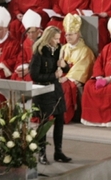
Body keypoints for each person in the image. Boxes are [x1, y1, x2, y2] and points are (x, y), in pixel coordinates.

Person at [29, 26, 71, 165]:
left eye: (59, 38)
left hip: (56, 90)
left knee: (60, 121)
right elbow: (34, 75)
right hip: (43, 91)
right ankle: (41, 153)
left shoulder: (59, 49)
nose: (58, 41)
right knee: (44, 123)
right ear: (48, 38)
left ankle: (58, 151)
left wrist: (64, 65)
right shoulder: (39, 52)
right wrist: (54, 75)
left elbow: (65, 68)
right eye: (55, 39)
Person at [56, 14, 95, 124]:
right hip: (63, 76)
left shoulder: (85, 51)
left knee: (64, 86)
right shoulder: (64, 48)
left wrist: (67, 78)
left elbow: (82, 68)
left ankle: (63, 116)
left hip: (74, 79)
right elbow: (58, 65)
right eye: (66, 34)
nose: (68, 37)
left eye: (71, 34)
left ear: (77, 34)